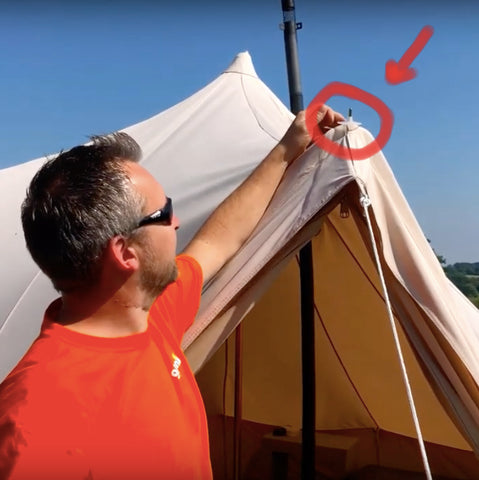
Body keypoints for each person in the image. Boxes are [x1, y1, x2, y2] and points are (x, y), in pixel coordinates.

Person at [0, 107, 343, 479]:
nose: (176, 221)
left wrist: (286, 149)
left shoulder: (151, 314)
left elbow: (218, 240)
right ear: (125, 253)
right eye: (164, 213)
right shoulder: (35, 420)